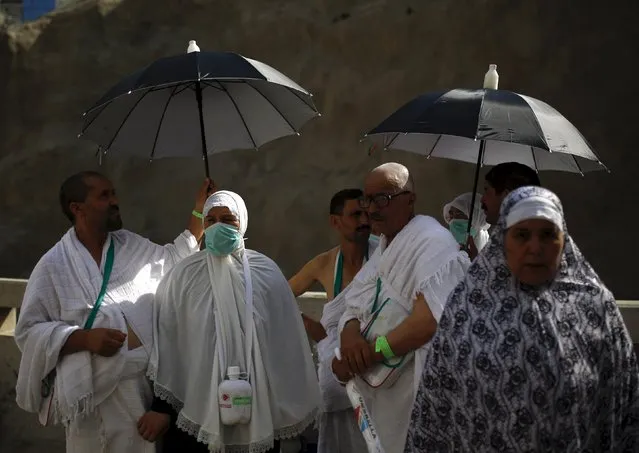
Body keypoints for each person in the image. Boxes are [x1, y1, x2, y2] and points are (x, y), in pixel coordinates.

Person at [405, 186, 639, 453]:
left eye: (548, 235)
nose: (535, 247)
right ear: (503, 240)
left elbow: (625, 405)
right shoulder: (467, 307)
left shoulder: (595, 308)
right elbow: (434, 408)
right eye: (522, 235)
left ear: (564, 240)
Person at [14, 170, 211, 453]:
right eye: (104, 196)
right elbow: (28, 331)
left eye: (114, 193)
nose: (115, 201)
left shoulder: (130, 245)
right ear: (77, 208)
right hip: (90, 399)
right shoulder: (53, 265)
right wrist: (84, 339)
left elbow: (173, 262)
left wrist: (199, 211)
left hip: (141, 393)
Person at [148, 190, 320, 453]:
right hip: (196, 406)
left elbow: (287, 344)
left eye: (228, 220)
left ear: (243, 222)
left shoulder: (267, 272)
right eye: (211, 220)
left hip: (258, 407)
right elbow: (168, 342)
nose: (218, 227)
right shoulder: (183, 276)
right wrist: (161, 409)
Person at [328, 162, 470, 453]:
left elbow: (427, 323)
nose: (372, 209)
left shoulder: (434, 242)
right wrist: (350, 337)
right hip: (378, 395)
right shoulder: (383, 247)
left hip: (418, 395)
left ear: (410, 198)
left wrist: (370, 353)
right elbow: (352, 306)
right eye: (368, 199)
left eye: (383, 198)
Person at [289, 188, 378, 453]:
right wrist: (313, 329)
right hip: (337, 381)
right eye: (355, 214)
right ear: (335, 221)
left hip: (377, 373)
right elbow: (279, 296)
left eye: (366, 213)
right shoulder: (324, 263)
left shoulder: (386, 255)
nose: (364, 220)